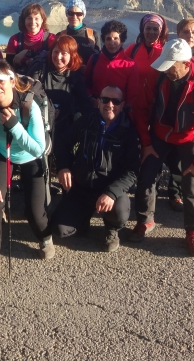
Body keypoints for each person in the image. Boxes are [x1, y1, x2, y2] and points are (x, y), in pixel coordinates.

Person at [130, 39, 194, 257]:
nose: (166, 70)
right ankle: (145, 220)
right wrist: (146, 143)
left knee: (192, 182)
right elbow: (140, 108)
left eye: (170, 66)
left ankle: (193, 230)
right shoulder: (159, 73)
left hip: (190, 136)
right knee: (147, 173)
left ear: (186, 64)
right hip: (160, 133)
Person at [0, 61, 50, 282]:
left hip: (31, 157)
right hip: (2, 153)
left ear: (11, 81)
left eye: (0, 81)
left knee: (35, 211)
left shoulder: (29, 105)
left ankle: (45, 238)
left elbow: (38, 149)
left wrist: (15, 126)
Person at [51, 85, 139, 252]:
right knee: (59, 229)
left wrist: (111, 193)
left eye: (116, 101)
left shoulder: (129, 131)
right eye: (105, 100)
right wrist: (64, 167)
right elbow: (62, 142)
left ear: (122, 105)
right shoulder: (86, 121)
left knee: (120, 211)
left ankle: (112, 229)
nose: (110, 105)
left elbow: (132, 171)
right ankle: (83, 217)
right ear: (98, 102)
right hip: (82, 186)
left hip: (109, 188)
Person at [25, 34, 92, 154]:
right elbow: (26, 95)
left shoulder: (75, 77)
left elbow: (84, 104)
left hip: (65, 125)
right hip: (39, 122)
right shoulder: (39, 69)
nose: (58, 57)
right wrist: (47, 111)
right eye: (55, 52)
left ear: (72, 55)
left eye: (64, 53)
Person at [165, 17, 194, 212]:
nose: (190, 35)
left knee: (192, 159)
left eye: (193, 32)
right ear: (178, 34)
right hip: (171, 117)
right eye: (185, 32)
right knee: (174, 157)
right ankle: (174, 192)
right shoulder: (170, 54)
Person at [84, 20, 141, 108]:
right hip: (96, 109)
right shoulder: (94, 59)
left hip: (118, 111)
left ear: (122, 41)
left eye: (116, 38)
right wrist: (90, 97)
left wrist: (124, 110)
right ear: (104, 40)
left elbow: (132, 95)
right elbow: (86, 83)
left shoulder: (130, 65)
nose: (112, 43)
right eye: (108, 39)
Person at [5, 3, 56, 74]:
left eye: (36, 18)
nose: (33, 22)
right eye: (29, 18)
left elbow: (54, 58)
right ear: (24, 20)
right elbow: (10, 65)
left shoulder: (51, 38)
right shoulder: (14, 39)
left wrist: (27, 53)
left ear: (42, 20)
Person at [125, 13, 169, 96]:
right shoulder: (133, 49)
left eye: (155, 29)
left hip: (156, 100)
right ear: (143, 30)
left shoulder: (166, 51)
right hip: (133, 99)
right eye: (148, 28)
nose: (151, 32)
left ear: (161, 31)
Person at [62, 0, 99, 64]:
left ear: (83, 15)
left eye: (79, 14)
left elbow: (98, 60)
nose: (74, 17)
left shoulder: (93, 35)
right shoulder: (60, 36)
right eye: (71, 13)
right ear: (66, 14)